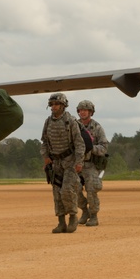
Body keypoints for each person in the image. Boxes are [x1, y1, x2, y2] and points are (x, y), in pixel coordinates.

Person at [40, 93, 85, 233]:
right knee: (57, 193)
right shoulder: (48, 122)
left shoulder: (70, 121)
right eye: (51, 104)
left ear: (63, 105)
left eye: (56, 104)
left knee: (67, 190)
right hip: (55, 163)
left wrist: (79, 162)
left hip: (70, 162)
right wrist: (46, 157)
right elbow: (44, 142)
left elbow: (79, 143)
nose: (53, 107)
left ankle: (73, 217)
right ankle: (61, 222)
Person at [75, 99, 109, 227]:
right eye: (81, 110)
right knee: (74, 188)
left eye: (86, 110)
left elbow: (104, 147)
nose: (83, 112)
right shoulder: (74, 126)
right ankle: (85, 211)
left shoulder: (97, 127)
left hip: (90, 164)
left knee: (91, 189)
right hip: (76, 163)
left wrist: (91, 148)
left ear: (91, 112)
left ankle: (94, 215)